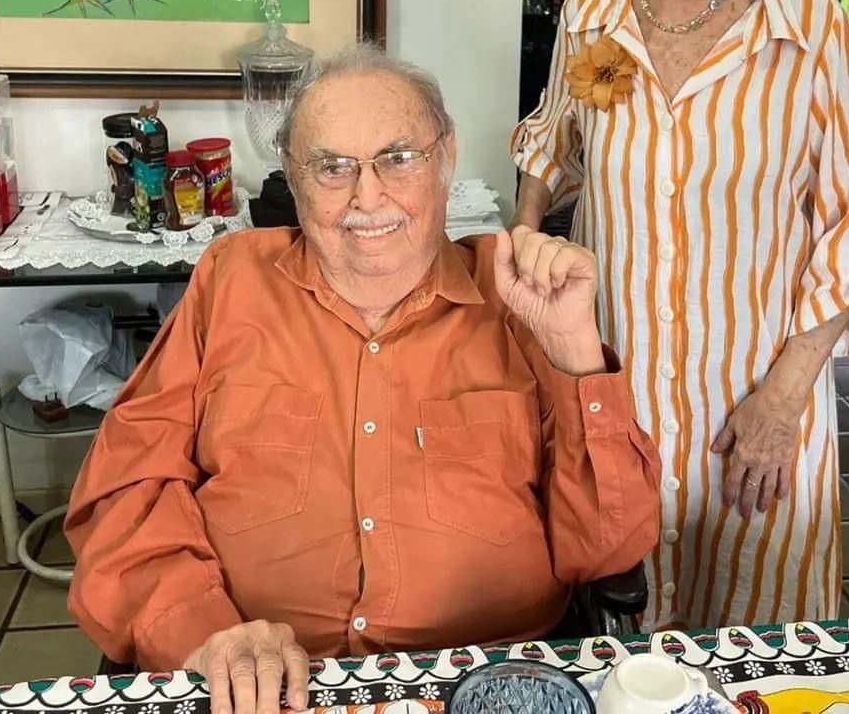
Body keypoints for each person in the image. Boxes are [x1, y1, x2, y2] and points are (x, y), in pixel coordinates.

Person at [66, 46, 661, 712]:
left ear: (447, 157)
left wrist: (575, 351)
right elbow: (128, 489)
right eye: (332, 167)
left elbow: (609, 548)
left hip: (489, 687)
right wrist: (203, 631)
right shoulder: (230, 283)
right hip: (263, 690)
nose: (367, 197)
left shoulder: (517, 294)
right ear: (292, 176)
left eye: (398, 158)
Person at [511, 0, 849, 632]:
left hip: (758, 415)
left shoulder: (811, 26)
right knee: (625, 648)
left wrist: (784, 399)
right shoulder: (590, 16)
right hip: (622, 412)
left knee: (763, 655)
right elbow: (553, 145)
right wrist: (526, 234)